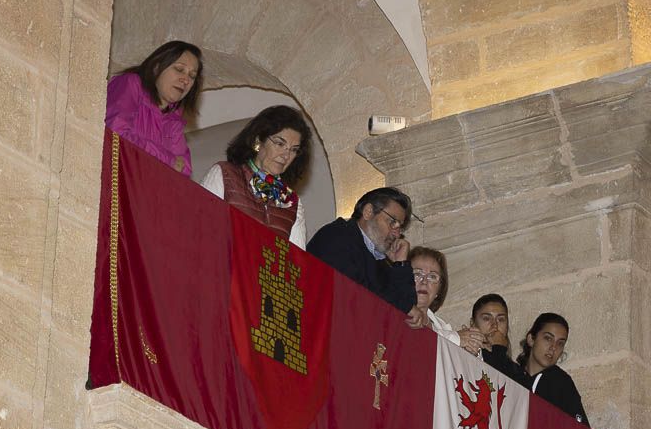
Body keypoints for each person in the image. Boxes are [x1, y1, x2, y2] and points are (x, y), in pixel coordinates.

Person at [201, 106, 312, 248]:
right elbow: (201, 232)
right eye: (279, 143)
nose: (286, 155)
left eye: (294, 150)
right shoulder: (223, 174)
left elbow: (295, 263)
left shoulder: (292, 203)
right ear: (258, 141)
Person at [307, 187, 419, 316]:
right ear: (368, 212)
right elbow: (357, 294)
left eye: (400, 227)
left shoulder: (381, 261)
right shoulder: (338, 235)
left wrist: (400, 264)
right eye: (392, 222)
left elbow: (411, 313)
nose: (397, 233)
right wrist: (404, 307)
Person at [105, 41, 202, 176]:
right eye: (179, 69)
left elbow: (185, 170)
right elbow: (115, 135)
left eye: (192, 76)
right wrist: (169, 160)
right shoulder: (131, 83)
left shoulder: (175, 118)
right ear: (157, 68)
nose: (186, 80)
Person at [491, 313, 589, 426]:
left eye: (560, 343)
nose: (553, 347)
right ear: (531, 340)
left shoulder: (561, 383)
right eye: (548, 338)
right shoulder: (512, 373)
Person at [408, 247, 486, 355]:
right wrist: (456, 339)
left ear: (439, 289)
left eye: (432, 276)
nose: (424, 281)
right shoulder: (393, 312)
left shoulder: (441, 326)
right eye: (417, 274)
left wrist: (468, 351)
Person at [470, 293, 510, 364]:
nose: (494, 325)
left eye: (500, 319)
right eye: (486, 318)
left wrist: (498, 349)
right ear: (473, 323)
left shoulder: (515, 369)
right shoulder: (464, 358)